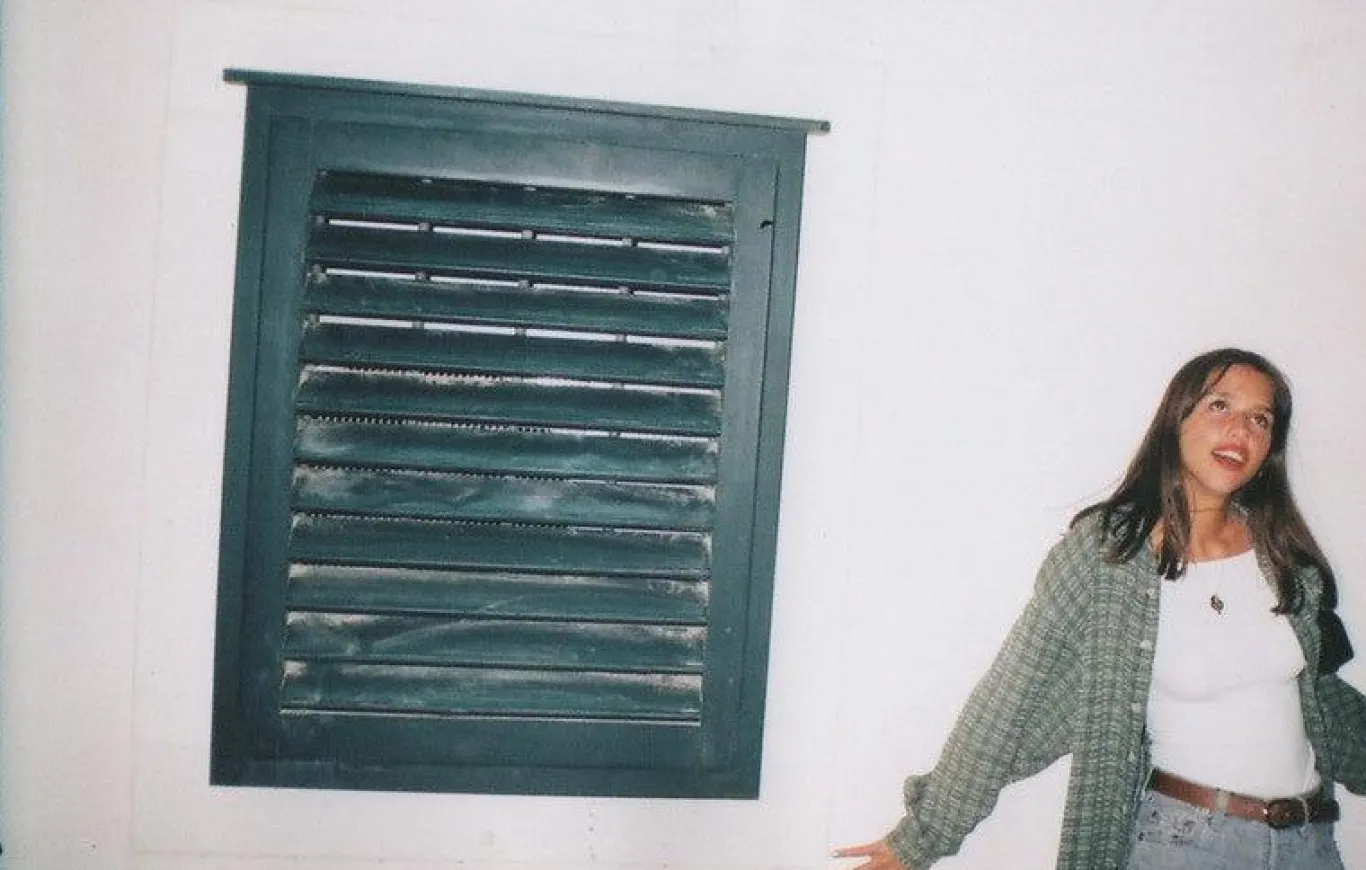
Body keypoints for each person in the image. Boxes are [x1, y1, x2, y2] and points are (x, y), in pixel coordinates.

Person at [834, 348, 1365, 870]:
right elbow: (1010, 701)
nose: (1240, 430)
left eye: (1260, 418)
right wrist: (922, 838)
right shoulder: (1109, 554)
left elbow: (1317, 698)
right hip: (1188, 843)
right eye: (1219, 406)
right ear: (1176, 420)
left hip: (1310, 843)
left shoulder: (1283, 556)